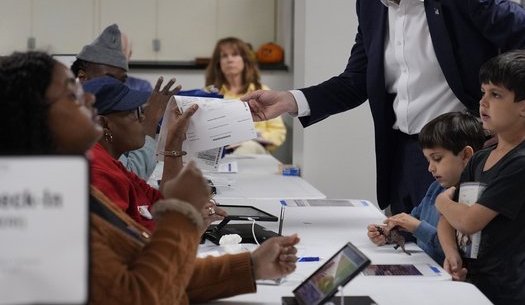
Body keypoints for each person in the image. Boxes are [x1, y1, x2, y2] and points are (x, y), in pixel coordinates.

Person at [242, 0, 525, 215]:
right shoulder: (369, 4)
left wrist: (509, 121)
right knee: (406, 257)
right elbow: (356, 81)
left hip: (465, 154)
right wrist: (288, 100)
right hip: (404, 156)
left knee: (462, 264)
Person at [0, 51, 300, 304]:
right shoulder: (39, 212)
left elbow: (148, 271)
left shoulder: (66, 191)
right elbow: (143, 295)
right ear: (34, 116)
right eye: (72, 93)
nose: (88, 98)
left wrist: (250, 266)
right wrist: (182, 213)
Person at [435, 49, 525, 305]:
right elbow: (447, 221)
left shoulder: (524, 163)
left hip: (504, 293)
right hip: (469, 283)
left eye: (496, 94)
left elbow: (468, 221)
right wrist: (451, 254)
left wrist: (442, 201)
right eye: (483, 92)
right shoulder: (480, 158)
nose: (483, 102)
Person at [83, 76, 207, 232]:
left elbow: (161, 203)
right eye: (133, 112)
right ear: (104, 124)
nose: (143, 117)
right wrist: (187, 226)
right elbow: (128, 245)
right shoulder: (100, 174)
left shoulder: (112, 163)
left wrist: (174, 141)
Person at [366, 112, 486, 265]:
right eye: (428, 160)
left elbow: (459, 253)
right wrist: (390, 232)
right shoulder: (436, 187)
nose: (430, 168)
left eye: (437, 159)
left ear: (465, 155)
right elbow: (415, 221)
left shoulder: (473, 198)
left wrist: (417, 227)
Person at [72, 23, 180, 180]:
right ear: (82, 78)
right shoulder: (79, 122)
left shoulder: (112, 109)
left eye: (122, 81)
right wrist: (150, 120)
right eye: (109, 78)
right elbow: (130, 175)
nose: (117, 87)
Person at [204, 37, 286, 154]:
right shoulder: (208, 94)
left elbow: (278, 131)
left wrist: (258, 138)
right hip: (219, 151)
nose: (230, 59)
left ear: (245, 60)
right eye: (224, 56)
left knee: (247, 147)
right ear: (218, 63)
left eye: (235, 54)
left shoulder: (262, 91)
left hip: (253, 150)